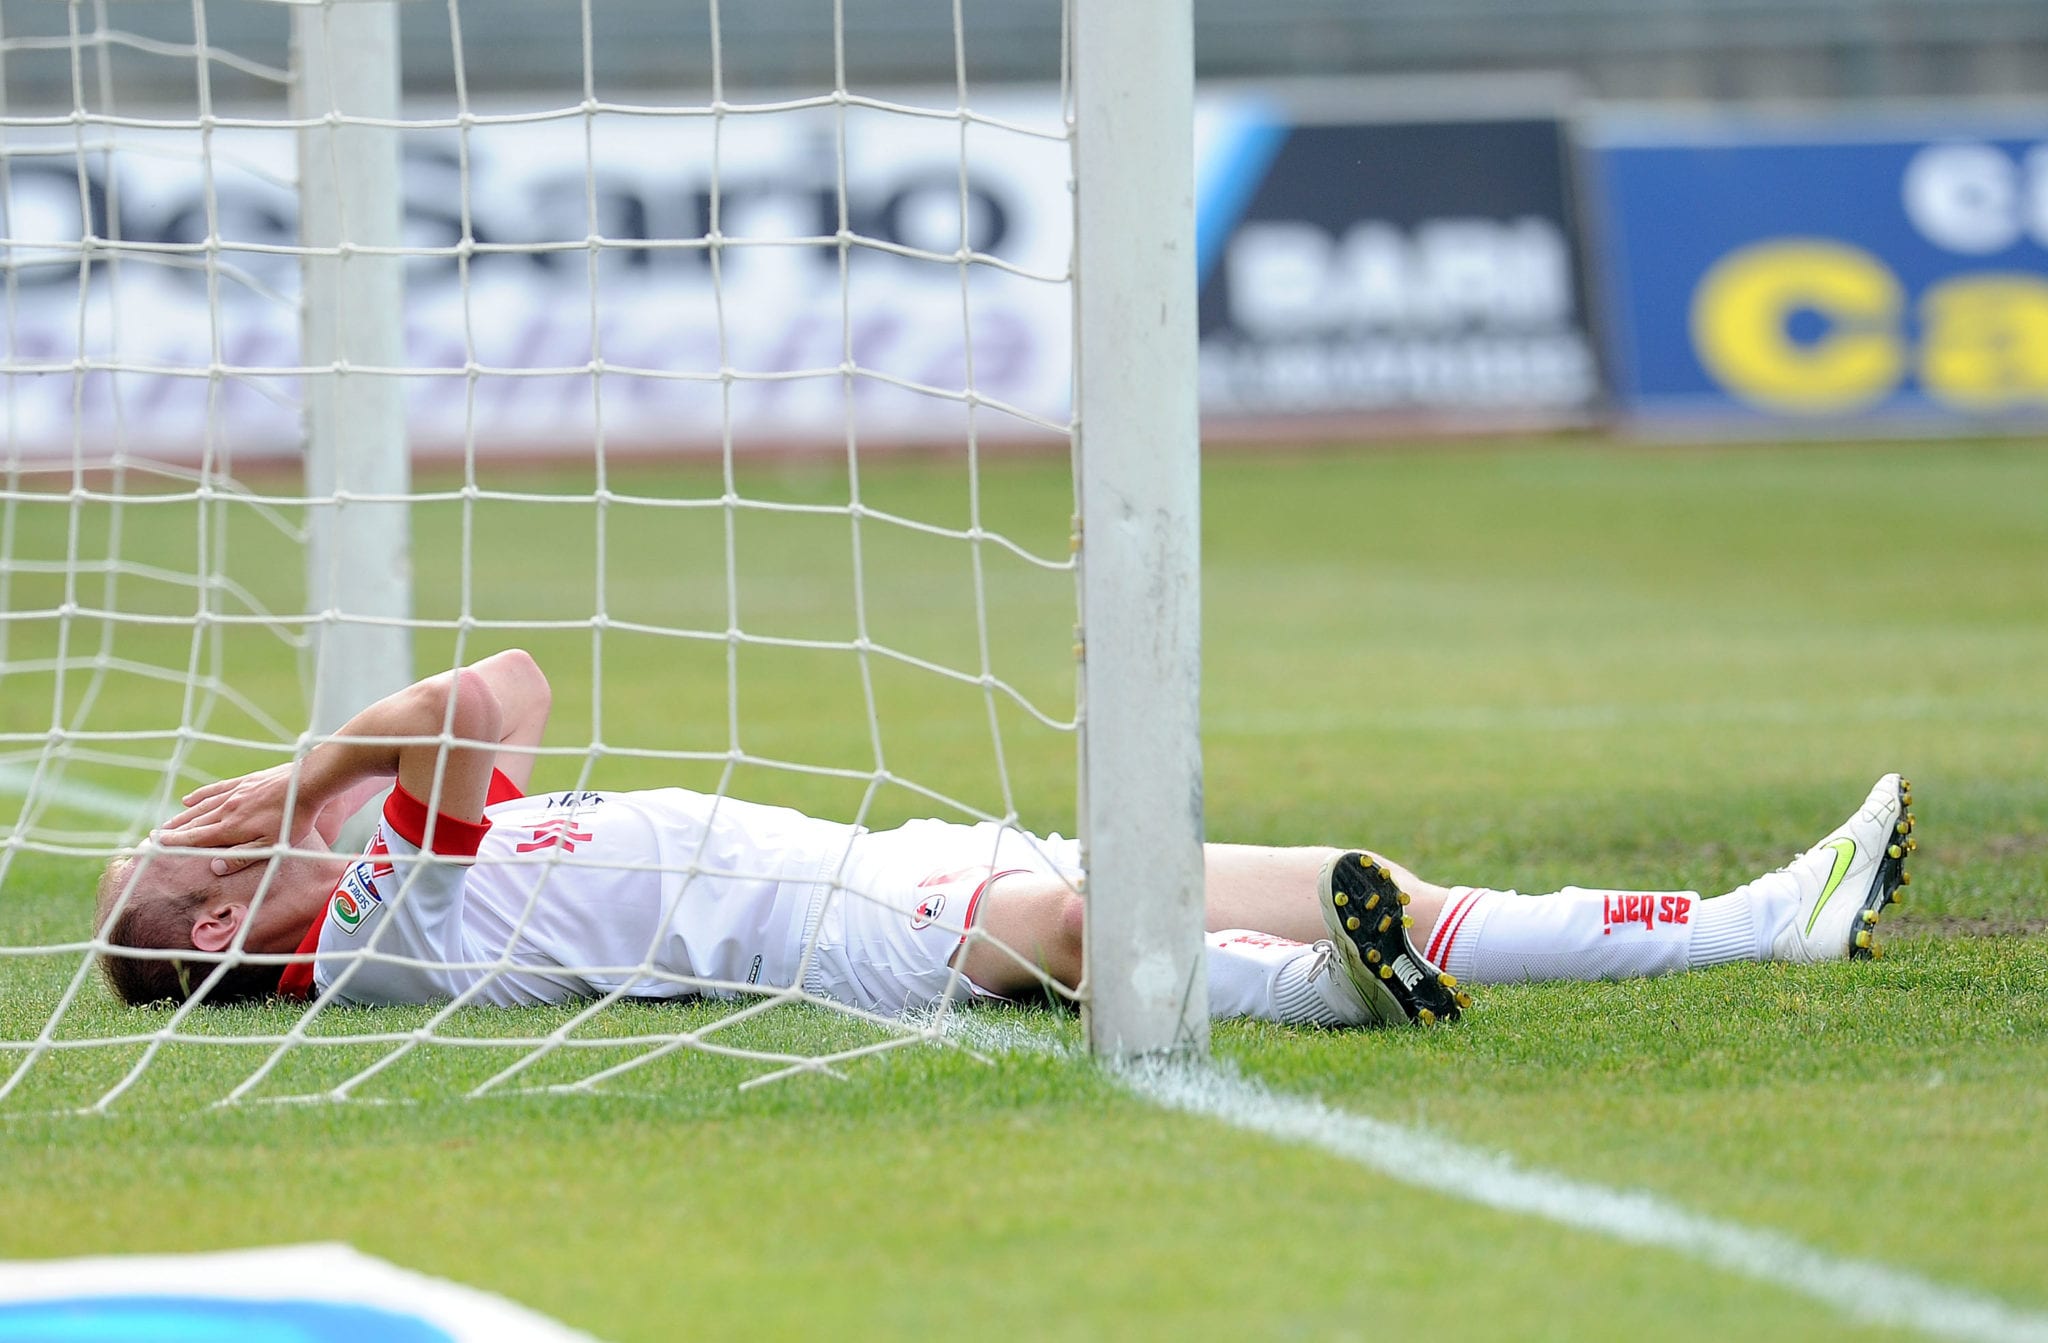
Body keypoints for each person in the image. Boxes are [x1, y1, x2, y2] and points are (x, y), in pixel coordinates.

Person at [98, 651, 1915, 1030]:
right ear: (209, 939)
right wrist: (305, 783)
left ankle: (1764, 918)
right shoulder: (377, 927)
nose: (195, 824)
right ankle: (1330, 999)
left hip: (892, 855)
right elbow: (480, 704)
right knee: (1076, 923)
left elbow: (496, 683)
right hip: (841, 935)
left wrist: (294, 787)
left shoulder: (391, 875)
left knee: (1372, 876)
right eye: (173, 857)